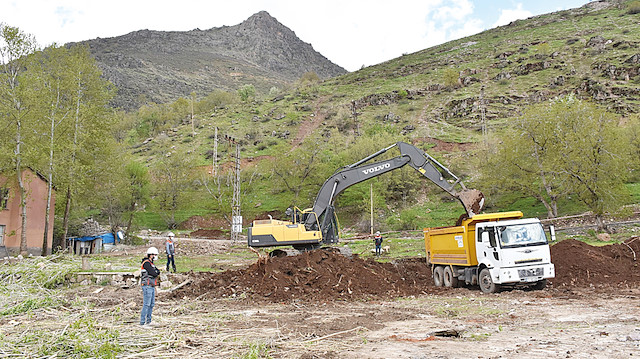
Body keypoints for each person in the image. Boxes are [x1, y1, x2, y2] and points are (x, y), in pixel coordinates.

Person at [140, 246, 160, 327]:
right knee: (146, 304)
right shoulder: (146, 263)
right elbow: (154, 273)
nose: (155, 256)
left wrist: (156, 272)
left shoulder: (151, 263)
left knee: (151, 304)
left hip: (151, 285)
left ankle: (149, 321)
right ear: (151, 255)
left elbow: (157, 271)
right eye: (155, 254)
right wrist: (156, 272)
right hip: (147, 285)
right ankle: (142, 322)